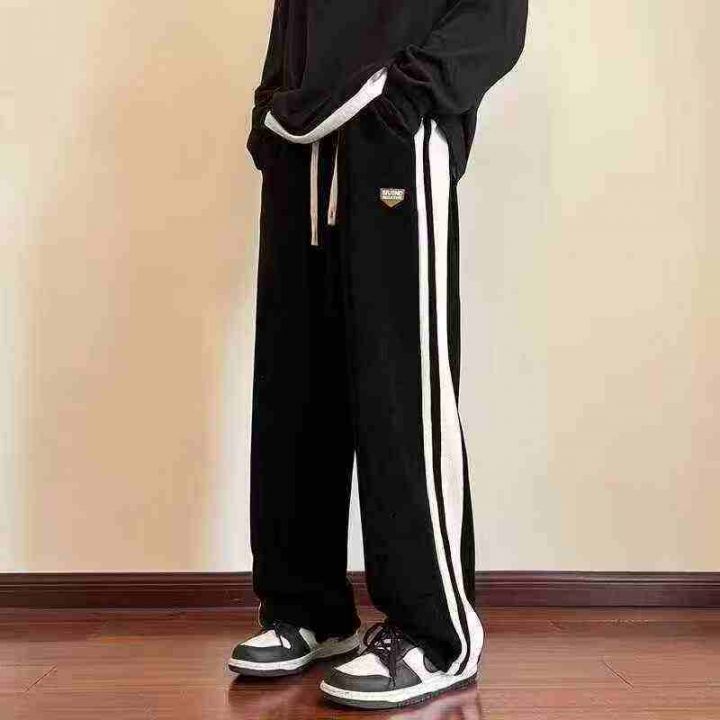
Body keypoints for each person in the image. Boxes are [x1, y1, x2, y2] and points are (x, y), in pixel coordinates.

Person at [228, 0, 528, 709]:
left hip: (393, 139)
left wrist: (406, 99)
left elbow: (497, 16)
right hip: (300, 145)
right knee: (293, 386)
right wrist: (269, 111)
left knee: (401, 389)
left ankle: (434, 633)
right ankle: (306, 607)